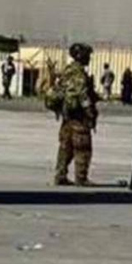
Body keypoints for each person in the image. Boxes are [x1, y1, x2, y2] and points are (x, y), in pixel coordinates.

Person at [48, 43, 98, 186]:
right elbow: (82, 95)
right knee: (83, 147)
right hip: (79, 117)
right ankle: (81, 178)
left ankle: (60, 175)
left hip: (67, 116)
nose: (89, 58)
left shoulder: (67, 70)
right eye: (88, 56)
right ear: (81, 56)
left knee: (65, 147)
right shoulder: (79, 73)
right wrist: (90, 113)